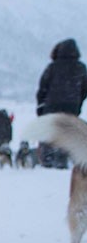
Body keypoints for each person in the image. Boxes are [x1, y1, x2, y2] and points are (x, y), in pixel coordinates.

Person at [36, 38, 87, 168]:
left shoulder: (52, 67)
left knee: (49, 133)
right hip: (71, 108)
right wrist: (77, 105)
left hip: (51, 107)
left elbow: (43, 88)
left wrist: (40, 107)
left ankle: (46, 162)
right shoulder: (81, 67)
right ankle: (61, 161)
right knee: (66, 136)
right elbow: (84, 90)